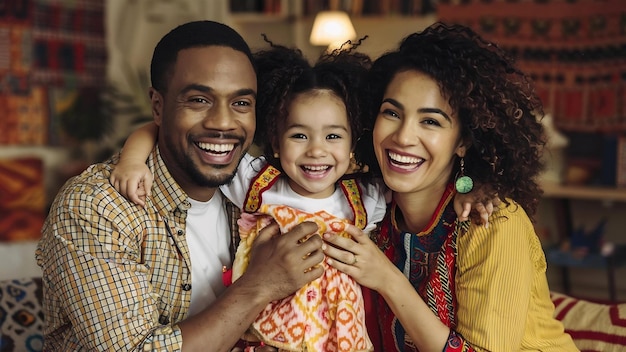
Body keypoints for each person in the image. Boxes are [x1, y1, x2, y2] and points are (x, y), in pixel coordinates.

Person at [35, 20, 328, 352]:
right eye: (199, 100)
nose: (223, 122)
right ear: (158, 106)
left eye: (241, 103)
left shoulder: (256, 191)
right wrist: (259, 285)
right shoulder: (97, 206)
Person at [110, 40, 384, 351]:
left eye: (333, 136)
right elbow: (162, 129)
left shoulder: (365, 196)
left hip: (337, 334)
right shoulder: (257, 180)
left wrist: (456, 190)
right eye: (299, 135)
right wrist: (132, 159)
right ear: (276, 143)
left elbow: (419, 185)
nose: (316, 150)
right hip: (266, 332)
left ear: (351, 146)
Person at [321, 22, 580, 351]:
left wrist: (387, 278)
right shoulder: (368, 207)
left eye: (430, 121)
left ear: (463, 142)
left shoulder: (492, 223)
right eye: (391, 113)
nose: (402, 137)